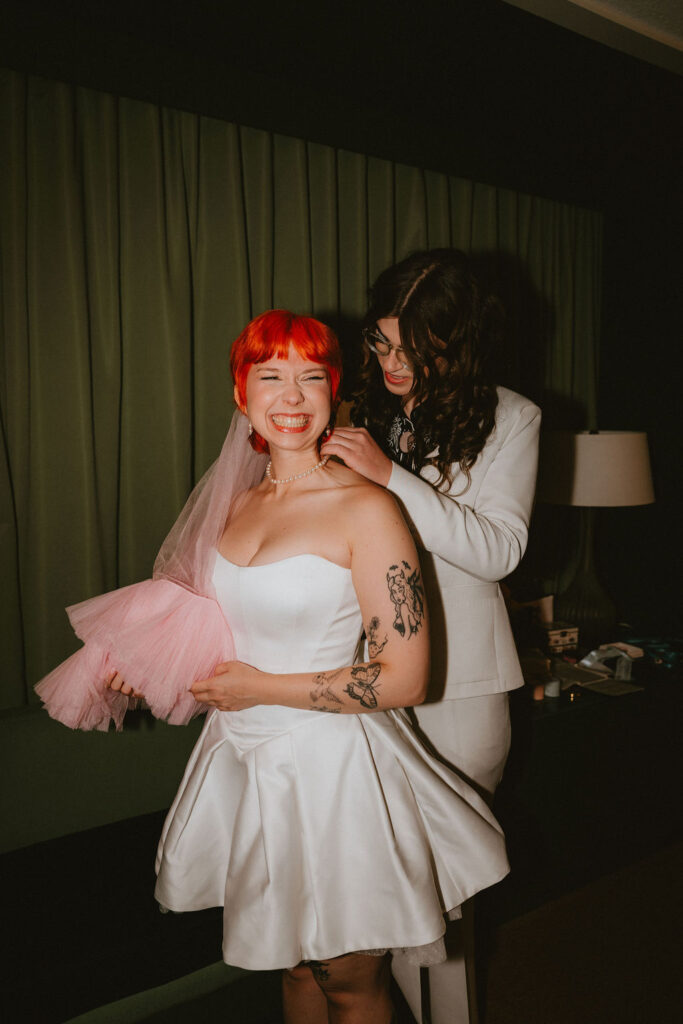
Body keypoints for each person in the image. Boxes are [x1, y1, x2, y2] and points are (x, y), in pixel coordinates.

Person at [36, 310, 510, 1024]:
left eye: (310, 377)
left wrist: (257, 686)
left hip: (334, 773)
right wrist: (142, 665)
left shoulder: (367, 509)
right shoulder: (240, 503)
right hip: (249, 763)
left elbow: (405, 678)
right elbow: (217, 624)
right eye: (270, 376)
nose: (291, 396)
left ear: (335, 394)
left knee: (349, 978)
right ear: (241, 395)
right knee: (291, 967)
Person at [321, 251, 541, 1023]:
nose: (389, 363)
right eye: (379, 344)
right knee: (382, 900)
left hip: (462, 690)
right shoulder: (364, 409)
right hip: (374, 684)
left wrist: (390, 476)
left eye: (411, 349)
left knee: (442, 907)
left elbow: (498, 551)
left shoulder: (513, 418)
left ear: (460, 343)